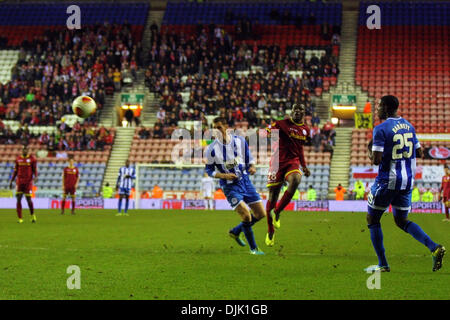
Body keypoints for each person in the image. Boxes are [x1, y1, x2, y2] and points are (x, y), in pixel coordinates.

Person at [366, 95, 445, 273]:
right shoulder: (409, 126)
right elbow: (419, 152)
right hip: (407, 180)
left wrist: (369, 150)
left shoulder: (380, 129)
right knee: (401, 220)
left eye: (379, 106)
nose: (377, 109)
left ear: (385, 108)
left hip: (388, 181)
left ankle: (383, 264)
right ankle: (434, 247)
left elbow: (376, 160)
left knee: (372, 219)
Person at [205, 117, 266, 255]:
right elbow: (209, 170)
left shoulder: (240, 141)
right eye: (214, 128)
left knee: (261, 214)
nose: (217, 130)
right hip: (230, 186)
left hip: (245, 181)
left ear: (226, 127)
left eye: (219, 127)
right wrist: (224, 176)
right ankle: (254, 248)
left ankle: (236, 231)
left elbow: (249, 158)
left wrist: (253, 167)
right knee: (246, 215)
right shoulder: (211, 149)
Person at [265, 104, 311, 246]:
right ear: (291, 112)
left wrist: (304, 165)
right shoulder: (281, 124)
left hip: (292, 162)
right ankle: (270, 230)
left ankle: (278, 211)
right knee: (272, 196)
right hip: (276, 163)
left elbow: (300, 148)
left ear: (304, 113)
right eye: (295, 109)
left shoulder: (305, 130)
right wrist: (270, 133)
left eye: (300, 110)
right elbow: (268, 131)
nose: (297, 111)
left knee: (296, 179)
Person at [9, 145, 37, 223]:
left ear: (28, 150)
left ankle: (32, 215)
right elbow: (15, 171)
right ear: (22, 150)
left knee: (29, 200)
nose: (25, 151)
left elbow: (35, 169)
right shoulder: (18, 159)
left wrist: (36, 176)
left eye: (26, 149)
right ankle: (20, 218)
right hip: (20, 182)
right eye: (24, 149)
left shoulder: (32, 159)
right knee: (18, 199)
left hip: (28, 182)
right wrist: (11, 181)